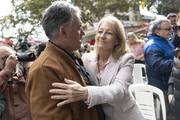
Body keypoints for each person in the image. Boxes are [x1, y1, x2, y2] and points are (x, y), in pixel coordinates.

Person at [49, 16, 144, 120]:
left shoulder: (126, 58)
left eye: (109, 33)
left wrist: (86, 92)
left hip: (127, 116)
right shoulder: (86, 58)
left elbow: (120, 90)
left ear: (117, 40)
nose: (102, 36)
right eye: (100, 31)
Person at [25, 1, 99, 120]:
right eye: (79, 28)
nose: (83, 33)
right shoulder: (44, 69)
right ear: (63, 31)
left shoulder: (70, 55)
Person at [0, 45, 31, 120]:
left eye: (14, 56)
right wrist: (6, 72)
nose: (12, 60)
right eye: (6, 57)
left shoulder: (24, 72)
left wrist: (28, 69)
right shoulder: (3, 75)